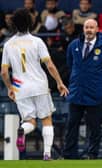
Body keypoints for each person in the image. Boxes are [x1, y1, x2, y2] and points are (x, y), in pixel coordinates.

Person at [1, 8, 69, 160]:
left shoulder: (8, 45)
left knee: (29, 121)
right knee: (46, 119)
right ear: (30, 23)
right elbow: (50, 65)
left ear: (13, 24)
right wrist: (59, 82)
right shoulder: (37, 41)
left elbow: (4, 72)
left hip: (20, 87)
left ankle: (22, 130)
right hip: (39, 85)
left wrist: (10, 88)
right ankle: (46, 154)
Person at [63, 19, 102, 159]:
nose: (89, 30)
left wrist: (101, 89)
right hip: (76, 93)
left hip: (94, 94)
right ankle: (69, 155)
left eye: (92, 27)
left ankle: (92, 155)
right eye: (87, 27)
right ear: (83, 29)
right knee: (71, 126)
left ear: (97, 29)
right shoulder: (73, 45)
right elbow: (70, 64)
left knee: (94, 128)